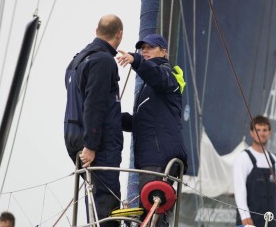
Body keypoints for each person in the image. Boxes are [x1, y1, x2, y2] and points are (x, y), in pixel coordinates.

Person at [118, 33, 188, 226]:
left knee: (153, 213)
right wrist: (113, 116)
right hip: (152, 157)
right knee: (151, 215)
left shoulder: (168, 73)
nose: (145, 51)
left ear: (164, 52)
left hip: (159, 156)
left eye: (150, 47)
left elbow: (157, 76)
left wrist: (136, 60)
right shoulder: (150, 86)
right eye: (143, 48)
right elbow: (141, 122)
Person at [64, 14, 124, 227]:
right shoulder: (103, 60)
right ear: (119, 34)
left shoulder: (77, 59)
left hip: (73, 136)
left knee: (96, 199)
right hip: (97, 144)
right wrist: (91, 145)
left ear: (97, 31)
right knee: (106, 203)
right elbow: (94, 105)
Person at [233, 115, 276, 227]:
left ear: (269, 132)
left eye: (264, 130)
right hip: (250, 221)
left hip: (270, 221)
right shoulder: (243, 158)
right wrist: (245, 217)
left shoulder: (273, 159)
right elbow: (239, 190)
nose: (261, 133)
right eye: (257, 130)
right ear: (251, 133)